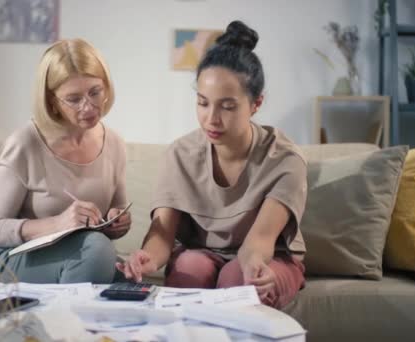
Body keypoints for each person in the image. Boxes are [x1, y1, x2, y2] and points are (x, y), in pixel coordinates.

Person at [117, 21, 307, 309]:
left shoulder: (284, 160)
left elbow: (259, 242)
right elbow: (163, 235)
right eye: (203, 103)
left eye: (227, 106)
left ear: (256, 104)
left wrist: (256, 269)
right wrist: (147, 258)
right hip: (201, 252)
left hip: (266, 257)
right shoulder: (180, 154)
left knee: (239, 280)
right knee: (190, 267)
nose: (211, 119)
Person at [0, 38, 131, 284]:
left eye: (95, 92)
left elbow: (113, 223)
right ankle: (65, 322)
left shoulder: (114, 143)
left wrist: (118, 223)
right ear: (52, 101)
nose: (89, 106)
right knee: (96, 250)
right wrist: (58, 223)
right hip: (10, 258)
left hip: (82, 253)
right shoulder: (24, 143)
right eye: (73, 99)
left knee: (132, 283)